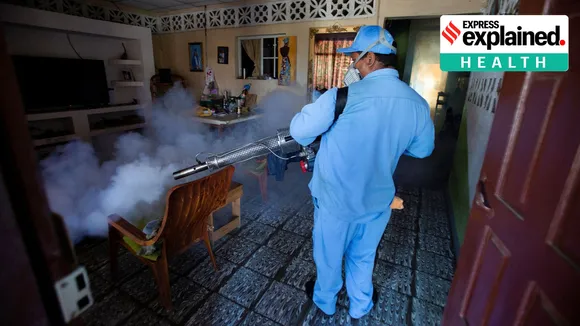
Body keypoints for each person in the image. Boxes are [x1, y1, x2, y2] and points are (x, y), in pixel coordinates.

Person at [289, 25, 435, 320]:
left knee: (329, 257)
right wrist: (389, 143)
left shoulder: (340, 98)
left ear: (370, 58)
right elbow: (422, 150)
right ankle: (360, 304)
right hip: (376, 202)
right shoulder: (417, 104)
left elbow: (299, 131)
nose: (352, 63)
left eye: (355, 56)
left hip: (335, 201)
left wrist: (321, 110)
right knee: (363, 256)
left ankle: (326, 302)